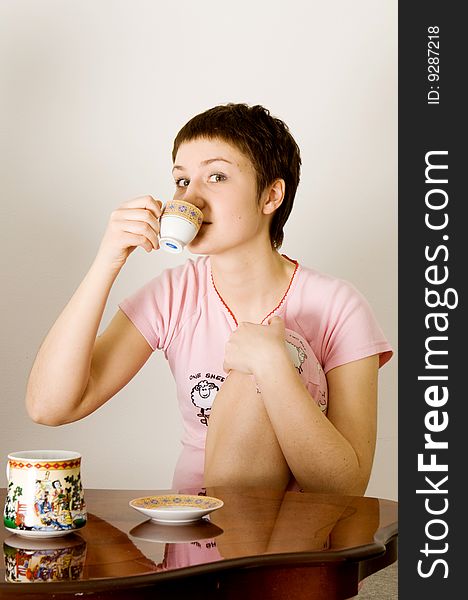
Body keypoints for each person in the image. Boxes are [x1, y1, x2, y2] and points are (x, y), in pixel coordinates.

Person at [26, 103, 393, 496]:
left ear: (271, 196)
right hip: (195, 537)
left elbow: (347, 487)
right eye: (182, 181)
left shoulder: (339, 306)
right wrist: (107, 259)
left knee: (265, 363)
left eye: (217, 176)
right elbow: (50, 407)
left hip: (302, 544)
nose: (191, 198)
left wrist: (273, 368)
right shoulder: (173, 295)